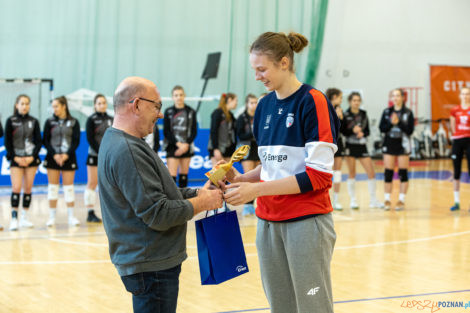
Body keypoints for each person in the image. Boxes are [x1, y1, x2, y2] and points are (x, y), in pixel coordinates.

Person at [223, 31, 339, 313]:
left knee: (313, 305)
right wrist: (241, 178)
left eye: (262, 69)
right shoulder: (263, 106)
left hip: (306, 222)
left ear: (284, 62)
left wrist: (256, 190)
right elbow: (274, 166)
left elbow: (318, 176)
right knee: (280, 306)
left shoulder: (313, 101)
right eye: (254, 70)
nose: (257, 76)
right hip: (267, 222)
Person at [98, 76, 223, 313]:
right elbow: (158, 213)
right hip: (150, 266)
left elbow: (161, 193)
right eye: (156, 106)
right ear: (136, 105)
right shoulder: (128, 150)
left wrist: (197, 192)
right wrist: (202, 202)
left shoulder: (123, 140)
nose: (159, 114)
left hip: (148, 262)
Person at [4, 94, 41, 230]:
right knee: (16, 188)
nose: (24, 106)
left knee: (28, 188)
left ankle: (25, 217)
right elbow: (7, 142)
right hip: (16, 159)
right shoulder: (11, 121)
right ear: (17, 105)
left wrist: (32, 156)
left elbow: (38, 141)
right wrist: (15, 157)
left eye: (27, 104)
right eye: (22, 103)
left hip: (31, 159)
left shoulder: (34, 121)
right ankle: (14, 218)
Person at [43, 96, 81, 226]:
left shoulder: (74, 122)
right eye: (53, 107)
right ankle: (52, 217)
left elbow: (76, 141)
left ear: (64, 106)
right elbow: (46, 140)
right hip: (52, 158)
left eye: (56, 106)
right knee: (53, 188)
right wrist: (54, 155)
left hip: (68, 157)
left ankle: (71, 217)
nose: (54, 109)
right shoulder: (49, 122)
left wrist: (66, 155)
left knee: (69, 188)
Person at [341, 92, 383, 209]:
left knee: (371, 172)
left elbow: (368, 131)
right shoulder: (345, 114)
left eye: (358, 100)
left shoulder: (363, 114)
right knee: (352, 173)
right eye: (354, 100)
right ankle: (353, 200)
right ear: (350, 101)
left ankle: (373, 200)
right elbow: (343, 131)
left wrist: (362, 133)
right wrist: (352, 131)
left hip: (362, 145)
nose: (356, 102)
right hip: (350, 145)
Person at [379, 88, 415, 211]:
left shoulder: (408, 112)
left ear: (403, 97)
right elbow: (382, 128)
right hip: (389, 144)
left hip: (403, 145)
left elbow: (410, 131)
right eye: (393, 96)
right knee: (388, 173)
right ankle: (387, 199)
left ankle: (401, 200)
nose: (395, 98)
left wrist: (398, 122)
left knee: (403, 173)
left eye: (398, 96)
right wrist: (391, 123)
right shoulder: (386, 112)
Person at [84, 94, 113, 223]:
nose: (102, 105)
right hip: (95, 155)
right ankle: (90, 212)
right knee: (92, 183)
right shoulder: (91, 119)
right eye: (99, 103)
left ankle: (111, 213)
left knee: (109, 185)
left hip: (109, 156)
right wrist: (101, 151)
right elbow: (90, 138)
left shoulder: (112, 119)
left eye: (104, 103)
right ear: (95, 105)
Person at [163, 85, 197, 187]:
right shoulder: (168, 111)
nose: (179, 97)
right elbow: (166, 131)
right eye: (176, 95)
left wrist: (185, 145)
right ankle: (172, 201)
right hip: (172, 146)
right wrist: (178, 145)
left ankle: (183, 200)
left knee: (184, 175)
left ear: (184, 96)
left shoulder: (191, 111)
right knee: (171, 177)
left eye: (181, 95)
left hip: (187, 146)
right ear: (173, 97)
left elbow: (194, 131)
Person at [236, 93, 260, 216]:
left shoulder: (259, 116)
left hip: (258, 149)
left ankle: (252, 204)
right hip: (247, 149)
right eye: (252, 102)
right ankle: (247, 205)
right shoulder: (242, 118)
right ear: (247, 104)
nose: (254, 105)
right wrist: (253, 135)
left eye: (256, 102)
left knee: (256, 180)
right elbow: (240, 134)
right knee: (248, 177)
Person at [449, 87, 470, 211]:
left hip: (469, 141)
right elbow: (452, 126)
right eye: (463, 94)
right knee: (457, 171)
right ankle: (456, 202)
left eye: (467, 94)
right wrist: (456, 136)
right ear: (460, 95)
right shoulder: (454, 110)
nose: (465, 96)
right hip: (458, 141)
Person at [326, 88, 345, 210]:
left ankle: (336, 200)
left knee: (337, 172)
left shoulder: (339, 110)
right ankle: (325, 199)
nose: (341, 100)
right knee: (326, 172)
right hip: (326, 143)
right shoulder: (325, 108)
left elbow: (343, 130)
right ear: (334, 97)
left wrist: (341, 118)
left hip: (338, 143)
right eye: (340, 97)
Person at [208, 93, 237, 166]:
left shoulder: (231, 115)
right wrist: (216, 149)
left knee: (226, 175)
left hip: (228, 149)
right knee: (217, 175)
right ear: (230, 100)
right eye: (236, 100)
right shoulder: (217, 113)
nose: (237, 103)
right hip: (218, 148)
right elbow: (213, 131)